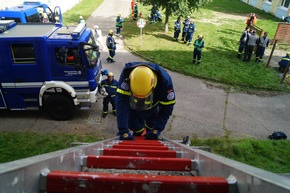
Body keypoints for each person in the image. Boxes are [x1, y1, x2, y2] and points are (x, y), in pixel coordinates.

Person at [115, 62, 176, 140]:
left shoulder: (165, 82)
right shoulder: (126, 75)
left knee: (152, 123)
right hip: (133, 108)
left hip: (153, 107)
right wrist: (123, 130)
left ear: (153, 86)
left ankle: (149, 129)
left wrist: (156, 129)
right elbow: (121, 102)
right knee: (134, 124)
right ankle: (138, 132)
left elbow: (167, 107)